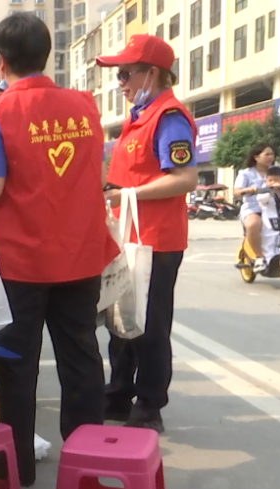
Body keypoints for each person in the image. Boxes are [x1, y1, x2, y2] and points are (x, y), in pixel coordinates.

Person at [0, 13, 117, 486]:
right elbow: (97, 176)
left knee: (16, 368)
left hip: (21, 264)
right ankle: (88, 468)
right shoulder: (84, 106)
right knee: (81, 360)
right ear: (45, 56)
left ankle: (16, 472)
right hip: (80, 256)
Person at [96, 34, 198, 433]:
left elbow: (185, 178)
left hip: (157, 239)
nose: (120, 83)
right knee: (121, 318)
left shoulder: (168, 118)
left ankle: (150, 404)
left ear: (152, 74)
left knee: (151, 324)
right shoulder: (138, 118)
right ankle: (120, 392)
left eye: (125, 74)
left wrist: (128, 194)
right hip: (128, 235)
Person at [234, 143, 278, 273]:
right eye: (267, 154)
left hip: (274, 207)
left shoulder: (277, 171)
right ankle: (259, 258)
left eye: (272, 154)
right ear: (256, 157)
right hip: (253, 208)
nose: (270, 157)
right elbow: (236, 192)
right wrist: (247, 190)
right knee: (253, 224)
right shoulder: (245, 173)